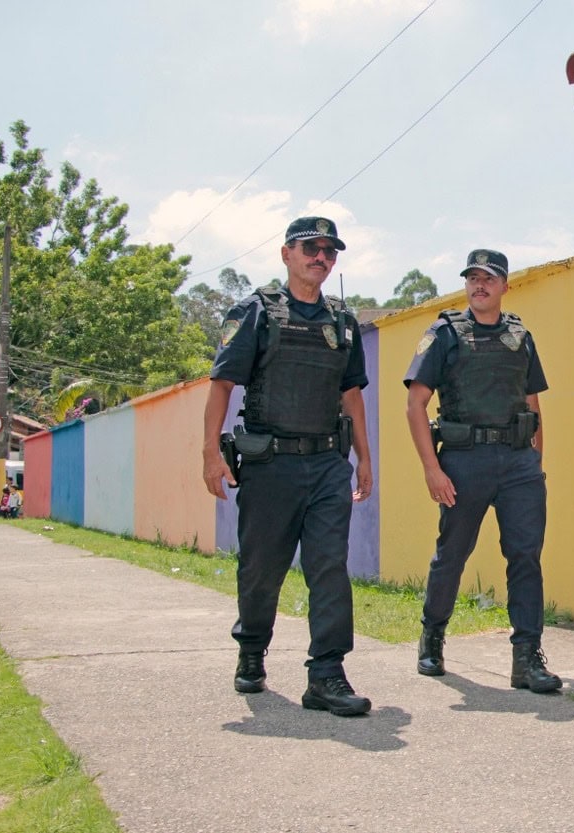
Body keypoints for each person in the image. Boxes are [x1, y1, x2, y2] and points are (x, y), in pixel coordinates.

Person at [202, 216, 373, 717]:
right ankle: (252, 651)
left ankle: (326, 674)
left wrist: (365, 457)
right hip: (269, 465)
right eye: (310, 248)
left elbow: (351, 396)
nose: (320, 257)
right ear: (286, 254)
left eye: (329, 251)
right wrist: (210, 453)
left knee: (329, 569)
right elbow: (222, 385)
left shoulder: (342, 323)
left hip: (325, 464)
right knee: (261, 568)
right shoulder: (256, 311)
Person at [403, 248, 561, 693]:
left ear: (505, 286)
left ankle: (527, 659)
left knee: (525, 559)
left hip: (517, 464)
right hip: (464, 461)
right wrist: (432, 470)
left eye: (488, 278)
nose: (479, 285)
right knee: (452, 555)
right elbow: (415, 403)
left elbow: (533, 404)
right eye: (472, 277)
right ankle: (432, 638)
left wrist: (535, 464)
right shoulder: (445, 334)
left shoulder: (519, 336)